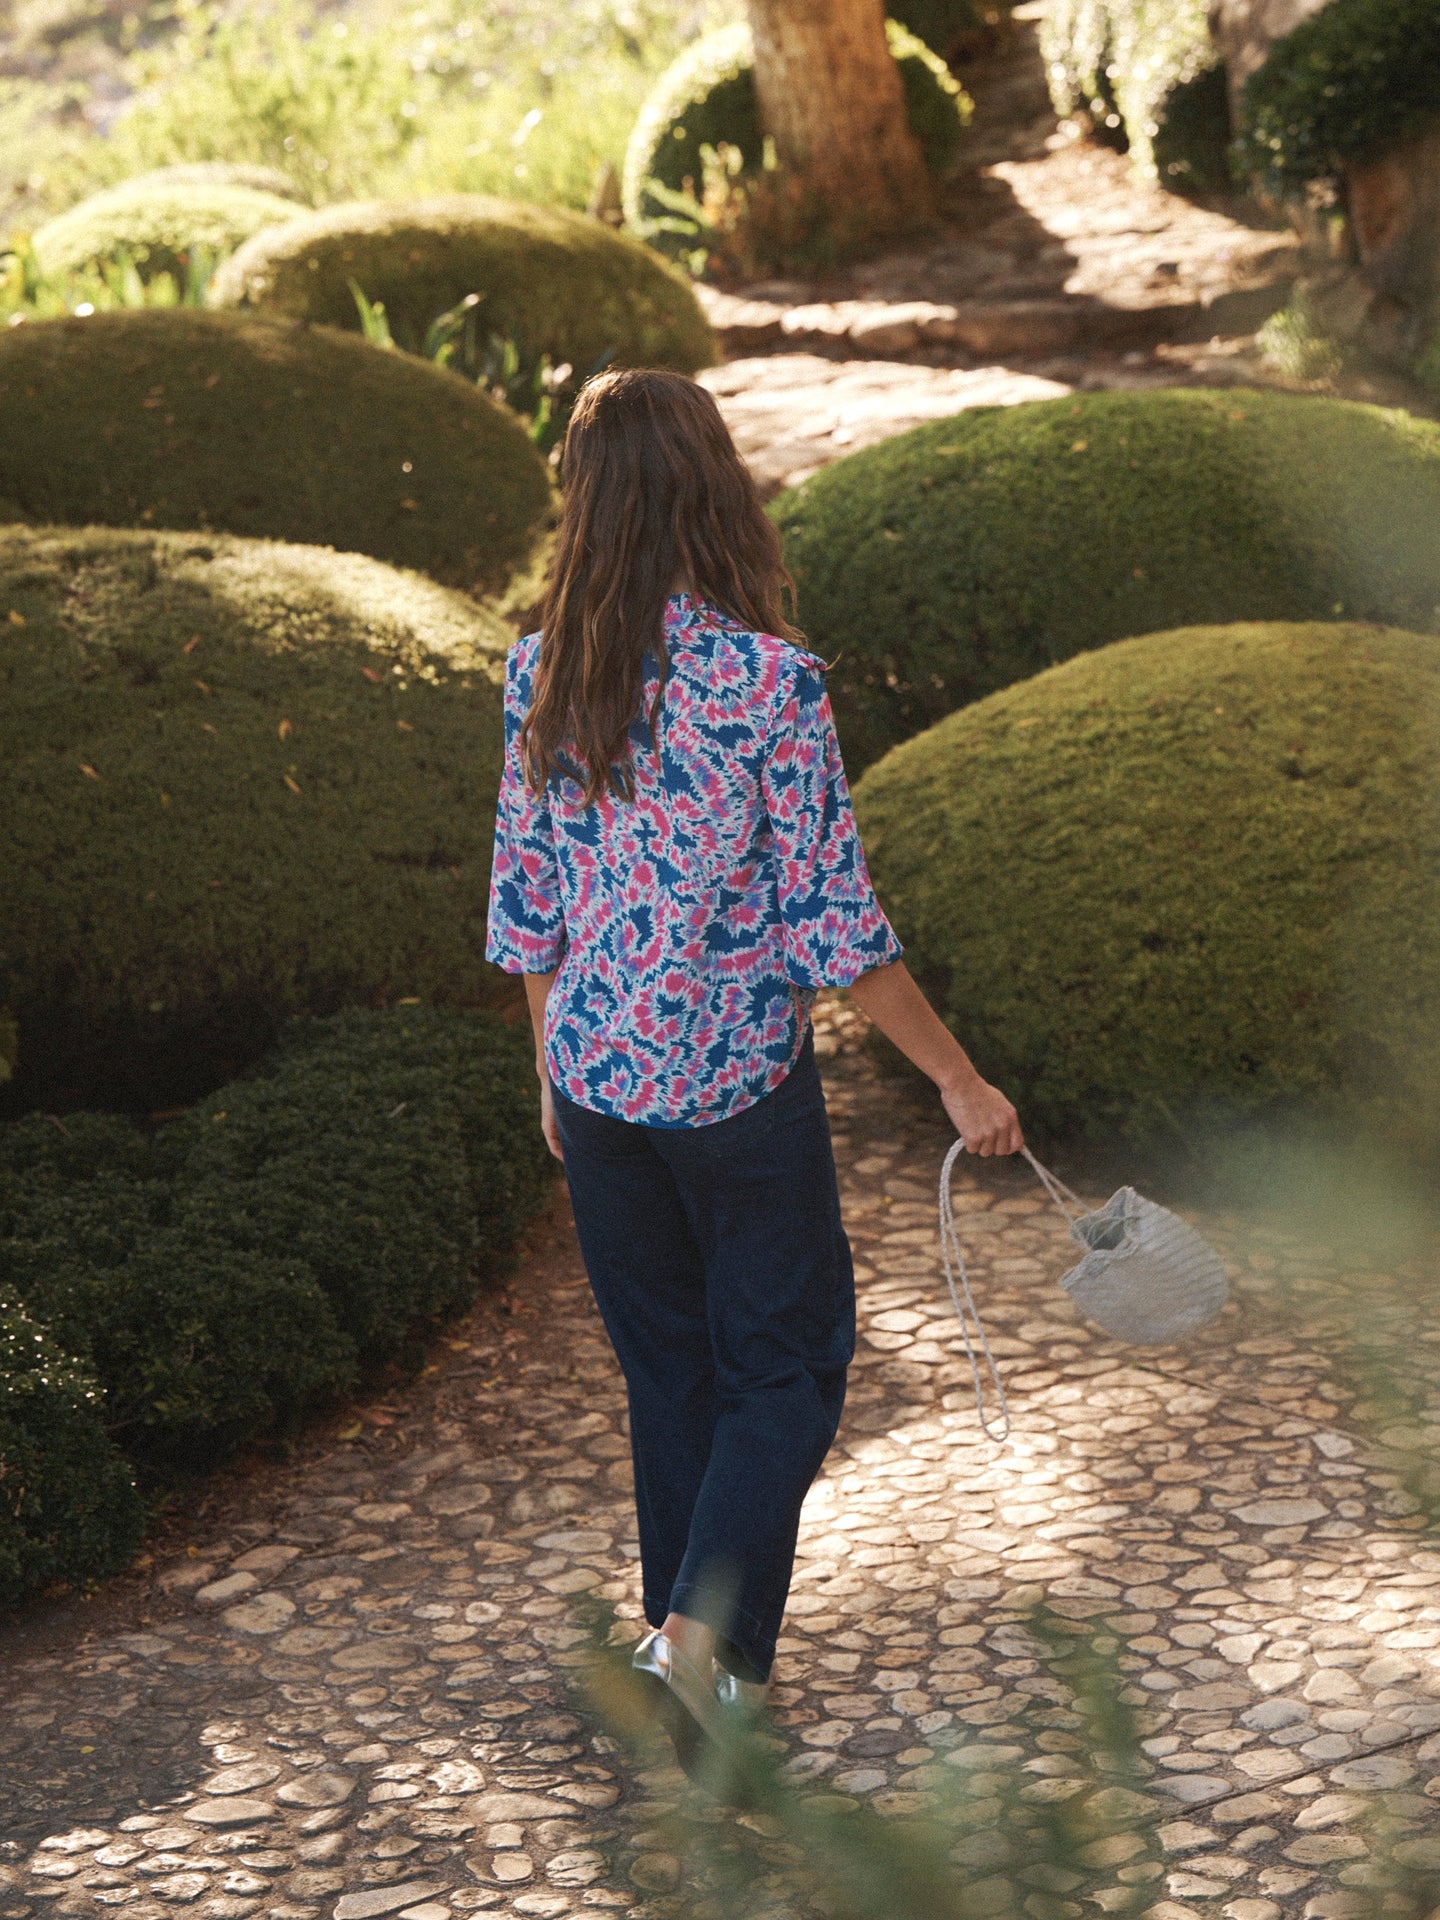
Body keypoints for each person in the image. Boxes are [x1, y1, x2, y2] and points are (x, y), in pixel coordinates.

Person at [485, 367, 1022, 1790]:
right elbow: (839, 929)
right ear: (716, 487)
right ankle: (687, 1647)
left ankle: (703, 1675)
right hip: (733, 1094)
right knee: (788, 1372)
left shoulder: (538, 672)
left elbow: (526, 909)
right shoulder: (767, 684)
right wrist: (961, 1081)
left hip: (601, 1093)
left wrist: (551, 1069)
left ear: (584, 503)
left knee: (677, 1381)